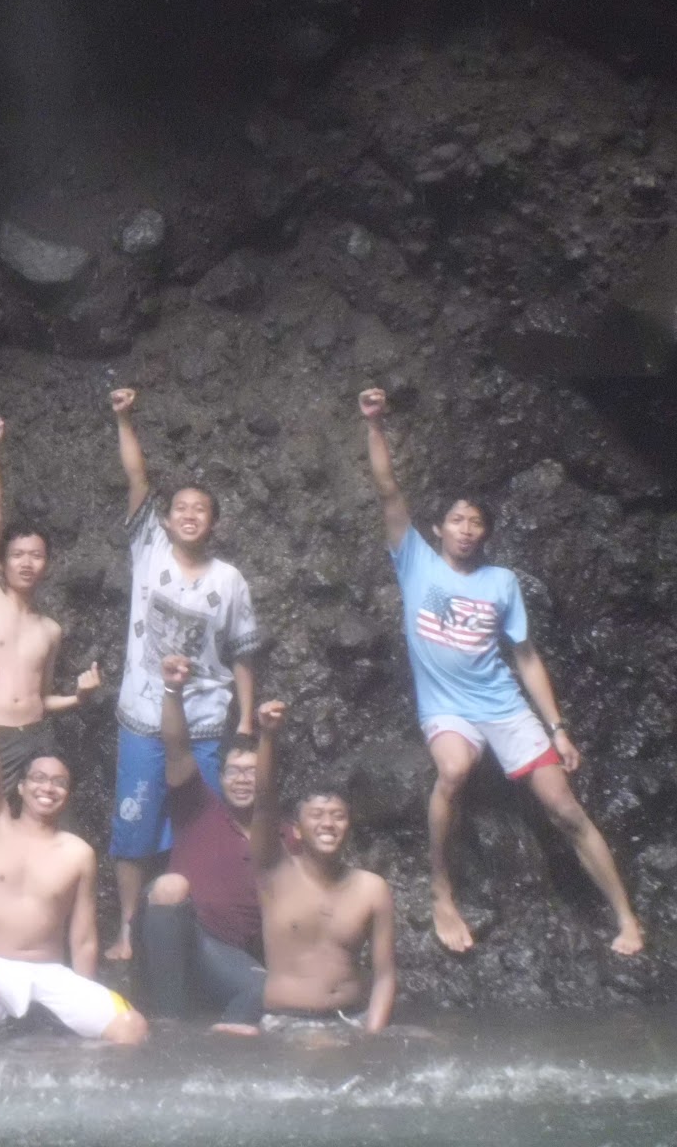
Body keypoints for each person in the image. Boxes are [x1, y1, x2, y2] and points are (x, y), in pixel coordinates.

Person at [359, 387, 643, 956]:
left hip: (504, 706)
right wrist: (374, 424)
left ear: (485, 534)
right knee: (455, 769)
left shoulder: (501, 583)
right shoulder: (414, 561)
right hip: (446, 708)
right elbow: (388, 490)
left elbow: (526, 657)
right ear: (438, 529)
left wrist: (558, 727)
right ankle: (443, 891)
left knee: (563, 807)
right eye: (457, 520)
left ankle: (626, 917)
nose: (466, 528)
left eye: (476, 522)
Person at [106, 386, 263, 961]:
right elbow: (137, 480)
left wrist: (245, 718)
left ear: (213, 524)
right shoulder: (147, 548)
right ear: (166, 520)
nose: (189, 515)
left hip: (201, 723)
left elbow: (244, 650)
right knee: (134, 825)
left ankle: (198, 933)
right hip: (144, 716)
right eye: (181, 509)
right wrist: (125, 419)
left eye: (201, 510)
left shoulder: (230, 581)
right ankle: (127, 928)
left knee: (202, 831)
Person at [0, 658, 148, 1063]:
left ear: (67, 795)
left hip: (52, 974)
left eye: (58, 783)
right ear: (20, 787)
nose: (47, 789)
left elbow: (84, 936)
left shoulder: (77, 853)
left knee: (133, 1028)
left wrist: (85, 996)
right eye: (38, 779)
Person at [0, 416, 100, 793]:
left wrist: (79, 697)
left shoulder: (49, 630)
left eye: (36, 555)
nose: (27, 563)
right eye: (18, 555)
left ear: (47, 564)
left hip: (39, 738)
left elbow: (41, 699)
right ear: (1, 563)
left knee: (42, 831)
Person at [250, 699, 396, 1035]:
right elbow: (263, 802)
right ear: (296, 829)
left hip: (352, 1020)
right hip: (288, 1024)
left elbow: (385, 974)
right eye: (316, 816)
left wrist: (372, 1035)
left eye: (338, 816)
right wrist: (268, 737)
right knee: (320, 1050)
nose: (328, 824)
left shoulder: (372, 888)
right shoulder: (275, 870)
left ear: (349, 826)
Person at [135, 655, 263, 1034]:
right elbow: (176, 747)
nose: (242, 781)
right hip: (176, 933)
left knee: (266, 989)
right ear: (220, 779)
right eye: (234, 772)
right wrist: (173, 690)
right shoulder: (198, 808)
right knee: (170, 884)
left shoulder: (285, 837)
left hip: (226, 955)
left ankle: (223, 1049)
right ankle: (169, 1025)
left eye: (252, 773)